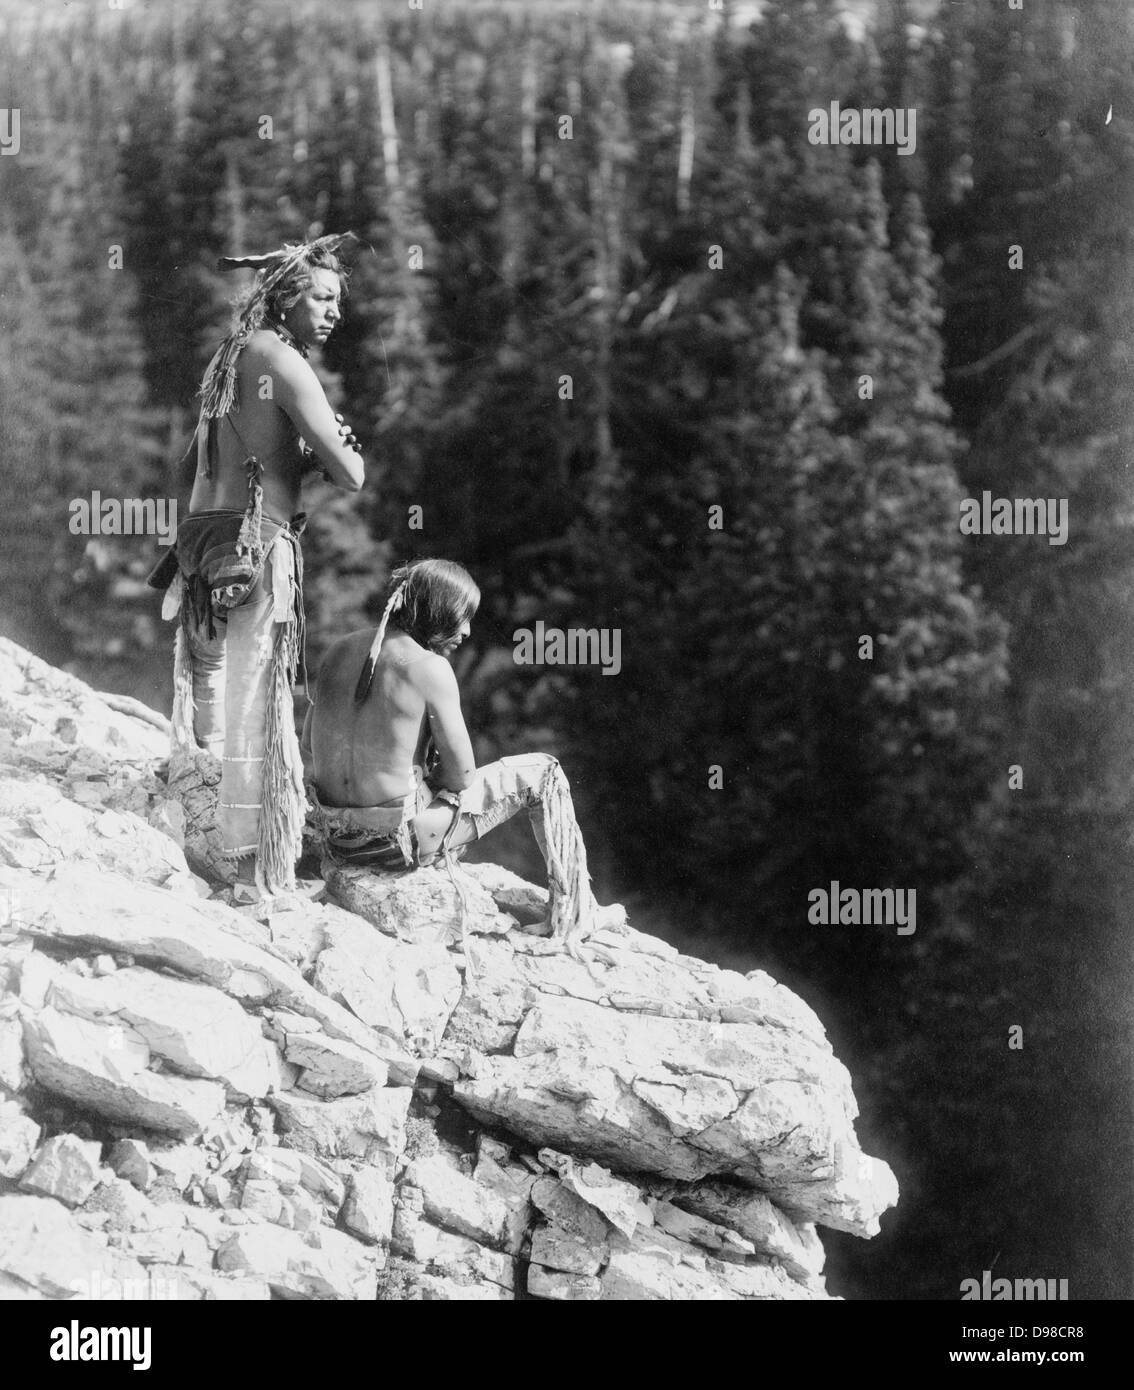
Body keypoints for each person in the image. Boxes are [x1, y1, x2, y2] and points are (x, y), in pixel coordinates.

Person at [150, 233, 365, 897]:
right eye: (323, 299)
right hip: (259, 542)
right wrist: (339, 450)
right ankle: (253, 856)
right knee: (258, 695)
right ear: (288, 298)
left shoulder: (229, 357)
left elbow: (211, 461)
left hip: (205, 537)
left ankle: (203, 826)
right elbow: (351, 473)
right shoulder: (289, 365)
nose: (334, 312)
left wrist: (180, 558)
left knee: (211, 688)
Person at [302, 559, 603, 953]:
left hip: (335, 839)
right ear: (435, 610)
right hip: (393, 845)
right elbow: (462, 776)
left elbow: (309, 742)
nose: (466, 631)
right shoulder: (431, 668)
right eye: (461, 617)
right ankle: (573, 917)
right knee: (545, 772)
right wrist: (426, 783)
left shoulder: (339, 650)